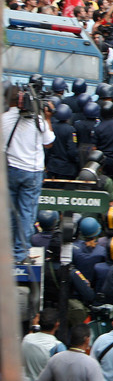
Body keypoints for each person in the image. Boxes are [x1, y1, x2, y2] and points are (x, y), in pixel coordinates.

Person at [4, 84, 55, 263]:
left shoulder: (4, 119)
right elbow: (49, 142)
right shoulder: (38, 120)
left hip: (10, 170)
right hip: (32, 173)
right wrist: (47, 117)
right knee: (26, 213)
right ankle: (20, 254)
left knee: (10, 211)